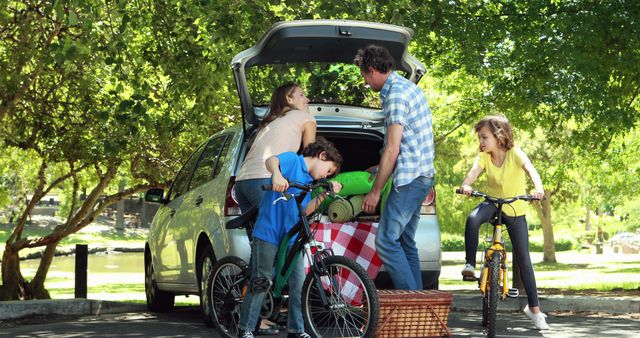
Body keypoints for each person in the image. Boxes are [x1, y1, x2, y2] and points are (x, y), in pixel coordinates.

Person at [238, 140, 344, 338]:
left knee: (299, 283)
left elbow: (304, 210)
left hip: (292, 236)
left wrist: (325, 195)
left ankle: (296, 330)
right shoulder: (293, 161)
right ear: (322, 156)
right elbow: (271, 160)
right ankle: (246, 328)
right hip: (269, 231)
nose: (325, 175)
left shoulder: (309, 182)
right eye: (328, 170)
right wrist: (277, 175)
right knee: (262, 279)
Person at [234, 83, 316, 335]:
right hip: (267, 179)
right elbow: (310, 154)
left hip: (243, 183)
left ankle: (254, 317)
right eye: (302, 94)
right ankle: (279, 323)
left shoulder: (270, 122)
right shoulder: (304, 117)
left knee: (262, 255)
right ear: (289, 98)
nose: (307, 98)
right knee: (284, 246)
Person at [354, 44, 436, 291]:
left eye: (364, 76)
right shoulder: (409, 88)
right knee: (406, 242)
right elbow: (405, 144)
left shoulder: (395, 95)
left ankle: (413, 303)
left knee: (387, 242)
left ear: (371, 70)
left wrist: (375, 191)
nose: (366, 83)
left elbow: (393, 148)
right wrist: (378, 169)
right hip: (423, 176)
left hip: (409, 179)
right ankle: (420, 306)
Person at [459, 115, 549, 330]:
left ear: (499, 136)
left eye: (484, 137)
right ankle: (470, 265)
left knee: (524, 260)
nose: (481, 142)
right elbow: (473, 172)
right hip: (493, 204)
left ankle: (534, 311)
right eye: (480, 138)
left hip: (515, 208)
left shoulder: (515, 154)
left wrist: (538, 190)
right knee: (473, 219)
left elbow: (532, 171)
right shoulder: (483, 157)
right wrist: (466, 185)